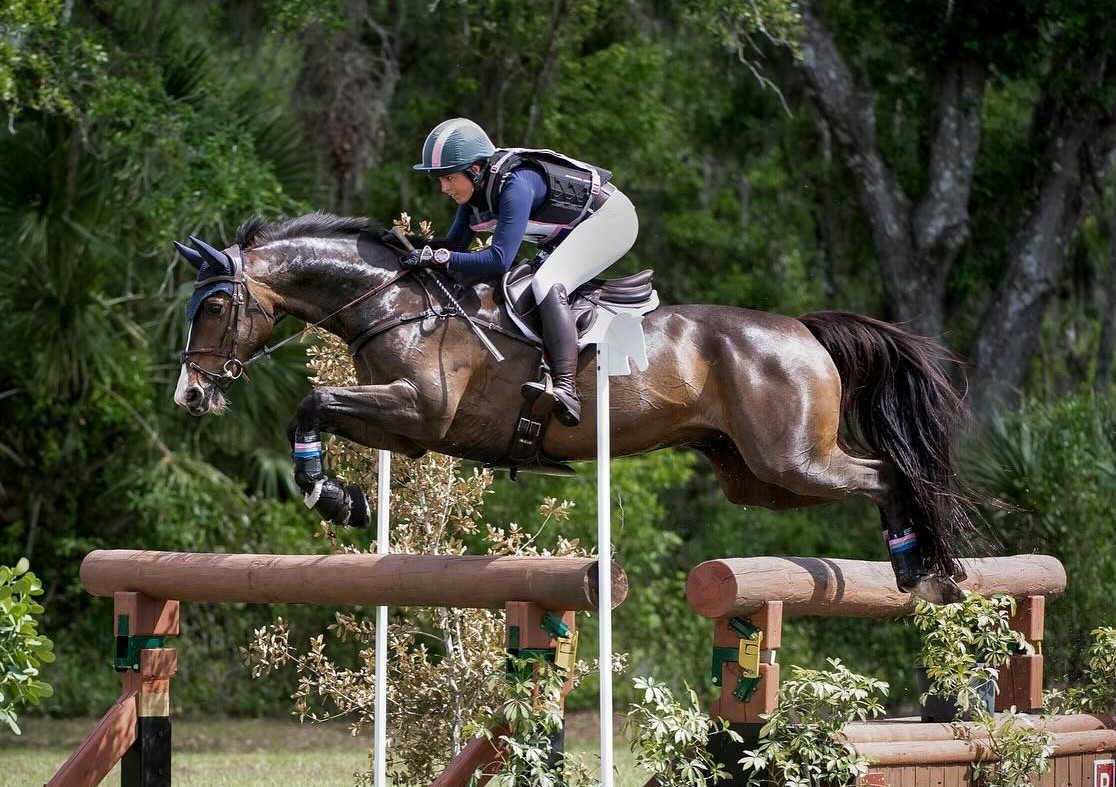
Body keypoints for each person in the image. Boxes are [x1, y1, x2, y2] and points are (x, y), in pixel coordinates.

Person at [406, 117, 639, 428]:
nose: (444, 188)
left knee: (547, 282)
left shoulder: (515, 185)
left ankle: (566, 387)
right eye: (441, 180)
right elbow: (453, 246)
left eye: (449, 178)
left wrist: (438, 257)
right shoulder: (476, 192)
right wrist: (404, 246)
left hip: (611, 220)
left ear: (475, 170)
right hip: (572, 231)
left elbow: (498, 260)